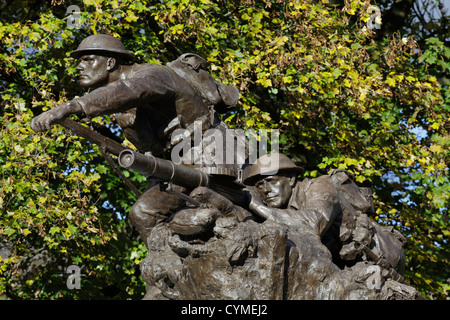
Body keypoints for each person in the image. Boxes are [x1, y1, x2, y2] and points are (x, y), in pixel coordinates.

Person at [30, 34, 241, 245]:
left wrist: (70, 107)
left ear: (111, 62)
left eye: (88, 59)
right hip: (177, 164)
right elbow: (151, 144)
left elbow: (130, 91)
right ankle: (167, 269)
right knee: (142, 213)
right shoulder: (126, 112)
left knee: (204, 207)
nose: (79, 66)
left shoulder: (152, 74)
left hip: (210, 151)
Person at [243, 152, 406, 272]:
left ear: (291, 180)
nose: (265, 190)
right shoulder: (281, 211)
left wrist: (256, 206)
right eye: (259, 186)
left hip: (382, 253)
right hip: (345, 262)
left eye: (271, 181)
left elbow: (314, 224)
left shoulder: (320, 186)